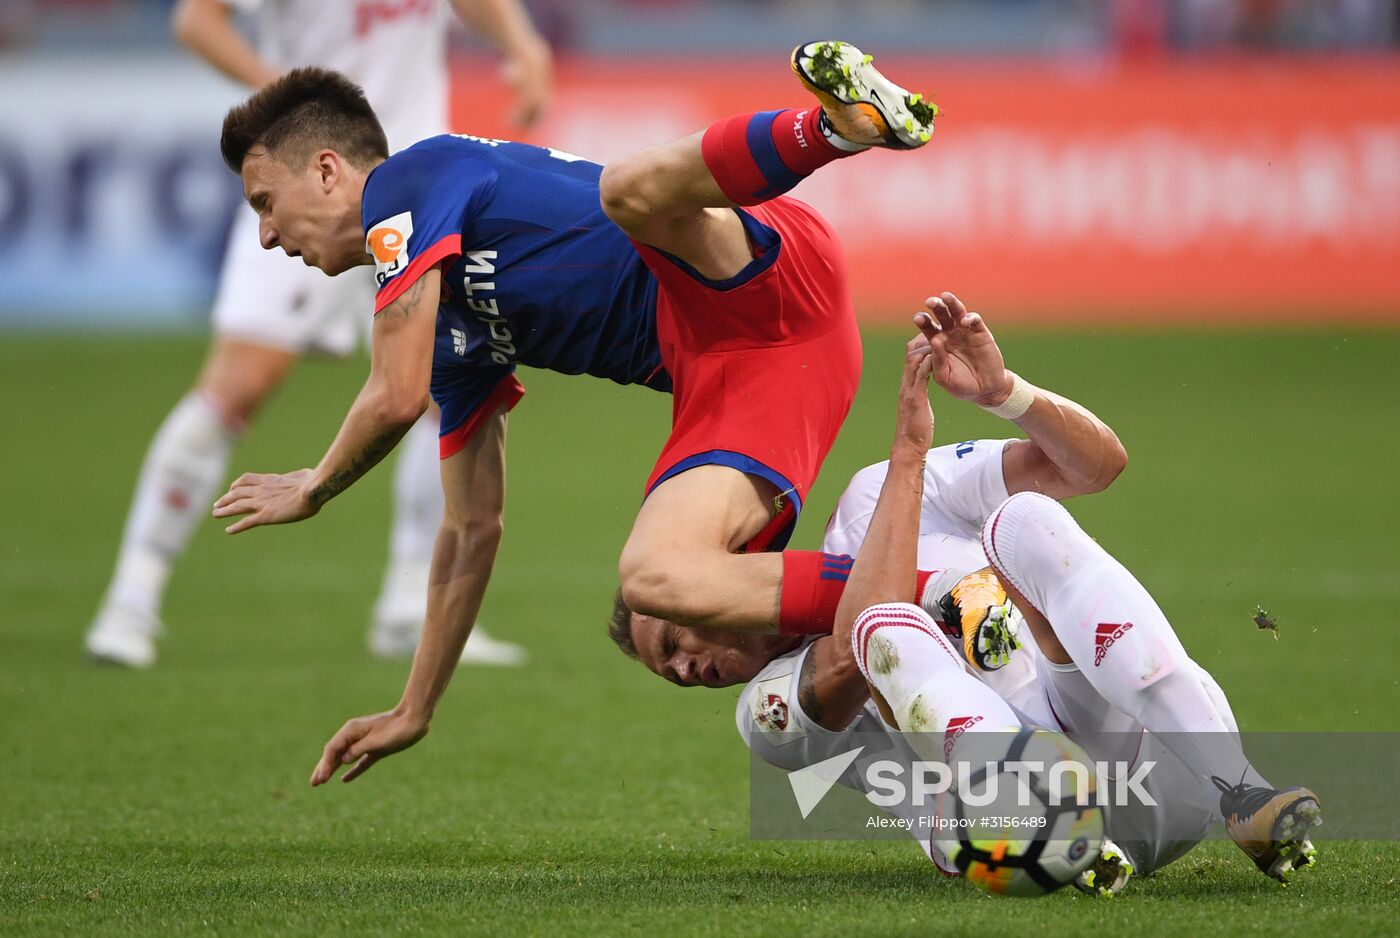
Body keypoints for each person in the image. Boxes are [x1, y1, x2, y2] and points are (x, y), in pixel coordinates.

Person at [207, 42, 941, 783]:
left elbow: (394, 396)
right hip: (749, 372)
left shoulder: (409, 181)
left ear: (328, 170)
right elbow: (470, 529)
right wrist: (414, 707)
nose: (266, 235)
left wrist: (316, 485)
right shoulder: (454, 333)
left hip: (753, 282)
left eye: (265, 203)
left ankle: (835, 129)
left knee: (627, 190)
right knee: (656, 579)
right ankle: (942, 596)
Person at [617, 295, 1322, 889]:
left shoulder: (872, 501)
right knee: (882, 635)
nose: (684, 668)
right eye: (671, 675)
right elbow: (861, 636)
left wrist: (1007, 396)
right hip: (1020, 837)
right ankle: (1047, 802)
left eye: (673, 636)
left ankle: (1243, 792)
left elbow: (1098, 466)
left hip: (1155, 757)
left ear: (715, 574)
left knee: (1027, 521)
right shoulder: (767, 711)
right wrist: (909, 465)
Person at [85, 0, 551, 668]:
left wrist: (519, 41)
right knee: (237, 386)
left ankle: (408, 604)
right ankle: (131, 600)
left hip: (419, 177)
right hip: (309, 187)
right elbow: (198, 20)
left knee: (446, 387)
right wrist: (283, 107)